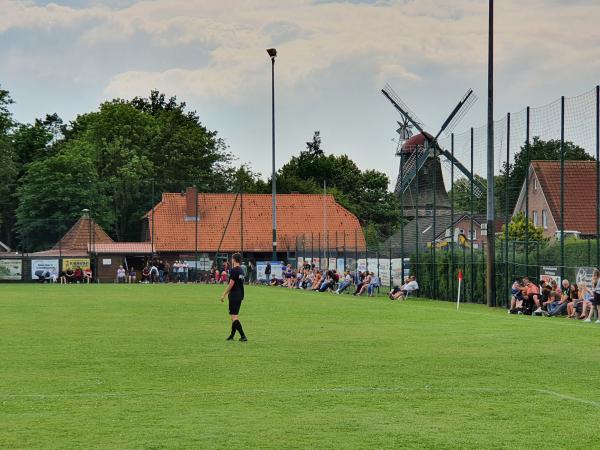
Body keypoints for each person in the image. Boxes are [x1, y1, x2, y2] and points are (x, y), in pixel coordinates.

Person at [220, 253, 247, 342]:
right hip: (240, 294)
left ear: (234, 260)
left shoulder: (234, 270)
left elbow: (231, 284)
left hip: (234, 295)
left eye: (232, 259)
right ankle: (232, 336)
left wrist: (224, 294)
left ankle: (243, 336)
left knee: (234, 317)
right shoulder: (241, 270)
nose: (231, 260)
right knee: (234, 316)